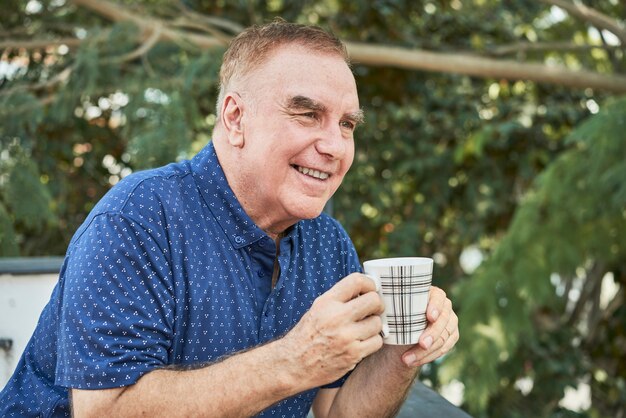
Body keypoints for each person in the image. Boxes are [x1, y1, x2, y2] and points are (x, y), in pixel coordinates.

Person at [0, 19, 459, 417]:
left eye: (346, 124)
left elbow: (337, 411)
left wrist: (405, 349)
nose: (336, 147)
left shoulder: (328, 244)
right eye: (307, 114)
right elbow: (104, 411)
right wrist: (295, 360)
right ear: (235, 117)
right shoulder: (137, 220)